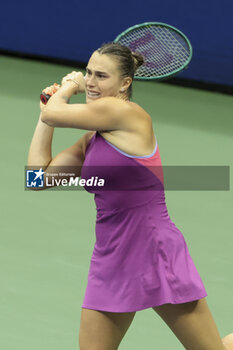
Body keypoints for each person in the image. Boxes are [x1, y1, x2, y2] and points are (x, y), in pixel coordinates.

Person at [27, 42, 233, 350]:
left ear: (125, 83)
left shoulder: (126, 113)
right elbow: (36, 178)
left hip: (154, 251)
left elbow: (58, 112)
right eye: (88, 73)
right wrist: (45, 115)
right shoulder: (90, 142)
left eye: (101, 76)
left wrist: (67, 88)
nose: (91, 82)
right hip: (111, 257)